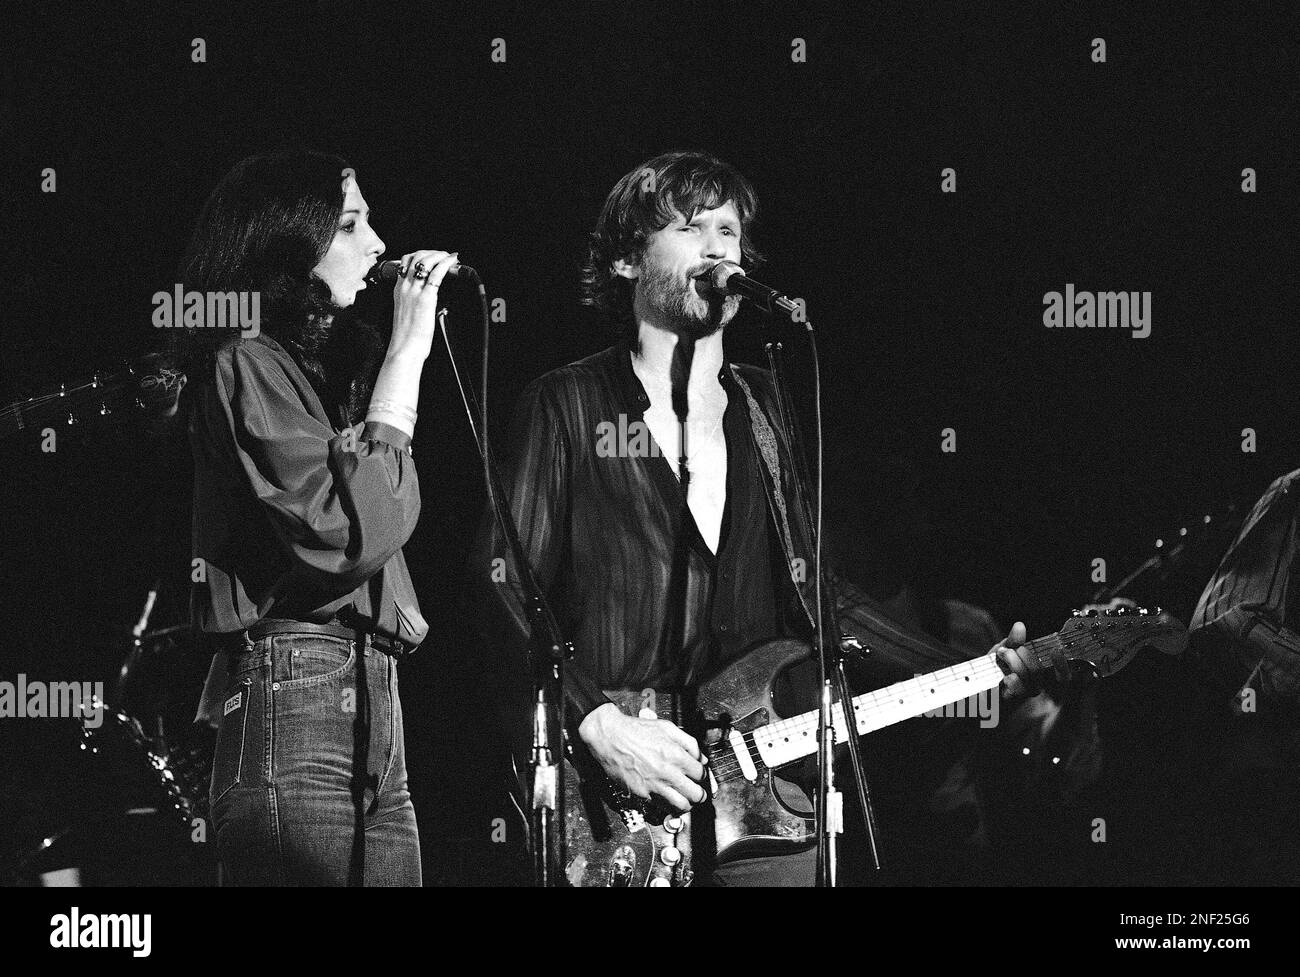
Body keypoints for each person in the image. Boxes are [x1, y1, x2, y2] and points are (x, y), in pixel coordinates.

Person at [471, 150, 1035, 885]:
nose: (717, 249)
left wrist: (963, 672)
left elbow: (822, 599)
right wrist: (598, 724)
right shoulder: (565, 405)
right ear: (624, 263)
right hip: (611, 797)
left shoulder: (763, 406)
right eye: (690, 227)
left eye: (729, 231)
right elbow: (500, 586)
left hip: (760, 796)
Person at [173, 150, 457, 885]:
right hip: (294, 688)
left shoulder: (320, 374)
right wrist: (407, 352)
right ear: (287, 244)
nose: (379, 246)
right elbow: (346, 530)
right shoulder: (245, 359)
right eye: (352, 225)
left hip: (375, 694)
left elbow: (384, 516)